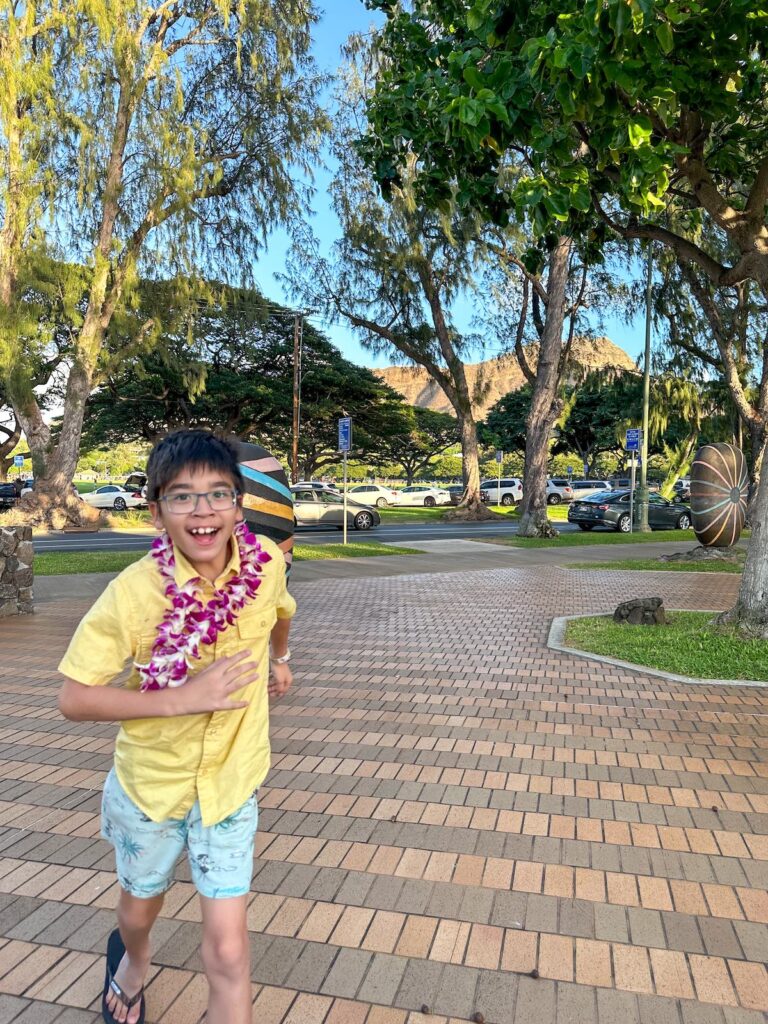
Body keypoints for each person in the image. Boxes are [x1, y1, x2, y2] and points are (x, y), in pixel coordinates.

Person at [58, 430, 296, 1024]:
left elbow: (282, 611)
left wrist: (281, 659)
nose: (203, 510)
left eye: (218, 495)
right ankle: (134, 963)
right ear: (156, 510)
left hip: (229, 786)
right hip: (152, 788)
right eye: (183, 496)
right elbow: (74, 698)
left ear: (239, 507)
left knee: (229, 948)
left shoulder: (264, 566)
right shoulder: (133, 594)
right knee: (139, 912)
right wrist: (183, 698)